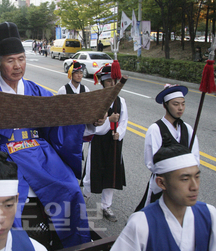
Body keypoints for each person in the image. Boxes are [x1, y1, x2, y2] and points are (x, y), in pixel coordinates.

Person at [0, 22, 93, 249]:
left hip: (39, 151)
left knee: (70, 188)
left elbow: (59, 119)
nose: (17, 66)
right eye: (10, 60)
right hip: (4, 154)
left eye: (21, 59)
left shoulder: (35, 90)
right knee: (9, 204)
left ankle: (74, 245)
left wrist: (88, 119)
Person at [111, 136, 216, 251]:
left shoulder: (209, 214)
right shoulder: (141, 223)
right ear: (161, 183)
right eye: (185, 179)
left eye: (197, 177)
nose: (194, 186)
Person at [136, 84, 200, 211]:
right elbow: (152, 162)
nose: (180, 108)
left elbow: (195, 158)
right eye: (175, 104)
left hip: (184, 185)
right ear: (165, 105)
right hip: (163, 184)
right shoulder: (155, 129)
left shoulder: (188, 129)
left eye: (183, 104)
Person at [82, 65, 128, 222]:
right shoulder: (97, 100)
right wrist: (109, 121)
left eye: (114, 80)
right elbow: (92, 127)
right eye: (108, 81)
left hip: (113, 142)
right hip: (99, 141)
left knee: (111, 174)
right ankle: (84, 198)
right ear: (102, 82)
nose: (112, 84)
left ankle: (106, 206)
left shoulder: (121, 101)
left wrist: (119, 133)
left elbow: (124, 121)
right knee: (92, 171)